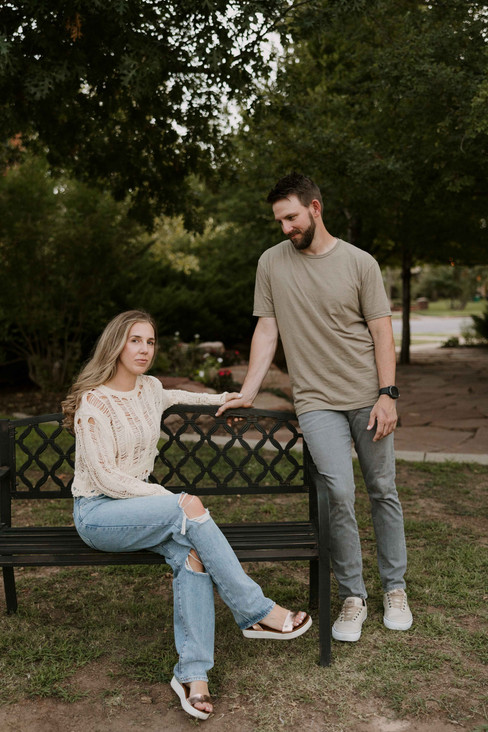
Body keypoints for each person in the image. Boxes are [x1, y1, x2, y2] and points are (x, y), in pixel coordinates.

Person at [62, 310, 311, 721]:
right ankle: (256, 611)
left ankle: (193, 677)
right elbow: (106, 478)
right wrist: (170, 499)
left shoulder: (151, 389)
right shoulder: (94, 402)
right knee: (188, 507)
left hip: (143, 512)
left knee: (192, 554)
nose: (144, 350)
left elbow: (194, 399)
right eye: (135, 340)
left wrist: (231, 399)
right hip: (99, 515)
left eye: (151, 342)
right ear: (116, 345)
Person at [217, 173, 413, 643]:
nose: (285, 227)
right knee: (339, 495)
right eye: (279, 221)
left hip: (367, 395)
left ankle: (395, 588)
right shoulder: (271, 263)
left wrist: (388, 394)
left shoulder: (360, 263)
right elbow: (267, 330)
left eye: (292, 217)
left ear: (315, 208)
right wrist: (248, 388)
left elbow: (381, 331)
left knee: (382, 488)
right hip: (316, 401)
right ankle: (353, 595)